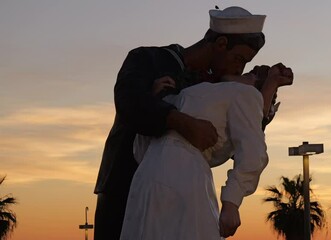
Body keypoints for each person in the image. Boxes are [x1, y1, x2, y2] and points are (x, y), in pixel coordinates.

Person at [94, 6, 269, 240]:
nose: (240, 69)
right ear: (220, 44)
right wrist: (179, 121)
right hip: (125, 184)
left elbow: (241, 142)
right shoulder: (147, 59)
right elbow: (129, 104)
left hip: (181, 189)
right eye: (238, 59)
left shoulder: (215, 89)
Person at [120, 64, 293, 240]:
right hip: (176, 171)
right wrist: (231, 203)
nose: (247, 72)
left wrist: (154, 100)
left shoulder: (226, 93)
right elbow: (253, 154)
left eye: (253, 74)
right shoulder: (230, 93)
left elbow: (140, 147)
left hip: (150, 174)